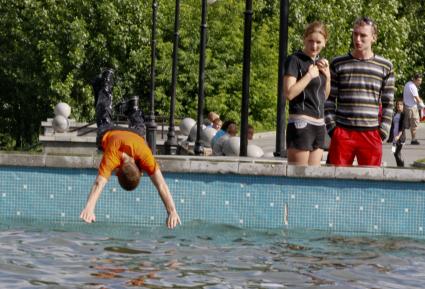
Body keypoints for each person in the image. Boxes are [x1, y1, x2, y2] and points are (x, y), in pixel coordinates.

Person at [80, 68, 181, 229]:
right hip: (110, 132)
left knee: (141, 128)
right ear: (117, 171)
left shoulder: (145, 156)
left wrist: (172, 211)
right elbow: (99, 183)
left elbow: (161, 184)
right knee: (103, 114)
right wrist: (89, 208)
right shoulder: (113, 157)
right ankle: (106, 85)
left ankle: (133, 108)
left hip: (135, 134)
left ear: (140, 171)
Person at [324, 17, 395, 166]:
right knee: (335, 181)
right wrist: (332, 129)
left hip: (371, 133)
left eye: (363, 35)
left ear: (373, 37)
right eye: (355, 34)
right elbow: (329, 99)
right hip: (342, 132)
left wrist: (383, 132)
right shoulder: (338, 63)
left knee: (371, 183)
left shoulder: (386, 66)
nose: (357, 39)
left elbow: (389, 103)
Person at [284, 21, 331, 166]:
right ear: (304, 39)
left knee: (312, 181)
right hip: (301, 123)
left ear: (325, 43)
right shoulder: (294, 60)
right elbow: (289, 93)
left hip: (319, 124)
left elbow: (325, 96)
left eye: (318, 42)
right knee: (298, 178)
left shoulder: (320, 63)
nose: (314, 46)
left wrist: (328, 77)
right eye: (310, 41)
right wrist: (309, 76)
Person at [403, 73, 423, 145]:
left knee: (406, 125)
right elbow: (417, 99)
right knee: (414, 125)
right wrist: (423, 106)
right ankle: (413, 139)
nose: (420, 82)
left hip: (406, 107)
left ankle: (402, 138)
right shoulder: (412, 86)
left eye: (421, 80)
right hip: (412, 108)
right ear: (414, 79)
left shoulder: (407, 84)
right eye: (418, 80)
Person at [388, 100, 406, 167]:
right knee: (393, 152)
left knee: (396, 152)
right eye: (398, 104)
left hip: (400, 137)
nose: (399, 106)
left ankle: (402, 164)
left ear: (403, 106)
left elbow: (402, 127)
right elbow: (392, 126)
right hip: (394, 137)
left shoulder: (403, 115)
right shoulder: (395, 114)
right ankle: (398, 166)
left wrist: (398, 136)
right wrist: (391, 137)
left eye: (401, 104)